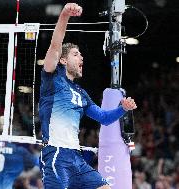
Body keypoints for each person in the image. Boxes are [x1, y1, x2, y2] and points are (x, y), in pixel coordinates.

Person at [39, 3, 137, 189]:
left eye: (81, 55)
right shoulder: (52, 78)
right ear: (63, 60)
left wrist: (123, 108)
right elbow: (55, 45)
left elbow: (104, 118)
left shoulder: (81, 93)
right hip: (56, 155)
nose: (81, 58)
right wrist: (65, 15)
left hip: (76, 158)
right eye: (76, 54)